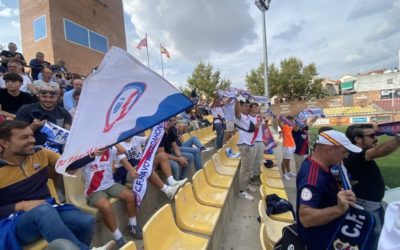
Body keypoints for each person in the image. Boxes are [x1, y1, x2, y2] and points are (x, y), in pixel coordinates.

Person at [0, 120, 115, 250]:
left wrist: (91, 155)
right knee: (42, 210)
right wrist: (21, 206)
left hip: (47, 209)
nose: (32, 140)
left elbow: (68, 167)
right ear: (4, 143)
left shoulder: (41, 153)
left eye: (31, 135)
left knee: (85, 222)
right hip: (13, 222)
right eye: (24, 137)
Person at [66, 145, 143, 248]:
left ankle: (133, 225)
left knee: (130, 196)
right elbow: (70, 171)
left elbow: (124, 153)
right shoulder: (86, 151)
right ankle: (118, 237)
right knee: (106, 206)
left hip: (110, 184)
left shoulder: (111, 148)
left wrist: (113, 142)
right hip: (93, 190)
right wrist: (90, 156)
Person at [297, 130, 362, 249]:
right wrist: (339, 208)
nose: (346, 156)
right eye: (344, 152)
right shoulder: (312, 178)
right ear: (330, 150)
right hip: (317, 241)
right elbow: (305, 218)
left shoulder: (317, 164)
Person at [344, 124, 400, 249]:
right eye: (372, 136)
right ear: (357, 139)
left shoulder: (354, 152)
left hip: (369, 203)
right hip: (367, 205)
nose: (376, 139)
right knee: (374, 237)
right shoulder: (355, 153)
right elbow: (380, 151)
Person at [234, 98, 259, 201]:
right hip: (245, 145)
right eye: (245, 106)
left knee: (249, 168)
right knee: (245, 169)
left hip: (250, 144)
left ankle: (246, 185)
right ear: (240, 106)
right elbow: (236, 112)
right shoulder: (239, 116)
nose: (248, 108)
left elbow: (254, 128)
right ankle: (242, 191)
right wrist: (236, 100)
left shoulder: (246, 117)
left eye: (248, 106)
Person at [248, 103, 264, 186]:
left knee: (258, 160)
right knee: (252, 160)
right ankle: (250, 177)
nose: (256, 108)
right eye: (254, 107)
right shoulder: (247, 118)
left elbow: (264, 127)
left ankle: (256, 175)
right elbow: (254, 128)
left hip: (260, 141)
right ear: (250, 108)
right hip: (252, 141)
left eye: (257, 107)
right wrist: (260, 121)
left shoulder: (259, 116)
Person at [278, 115, 296, 180]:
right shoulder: (284, 126)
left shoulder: (291, 126)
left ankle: (289, 172)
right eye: (291, 120)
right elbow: (279, 124)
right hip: (286, 146)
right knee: (285, 160)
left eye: (292, 120)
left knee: (288, 160)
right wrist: (280, 118)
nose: (292, 121)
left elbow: (296, 128)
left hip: (292, 145)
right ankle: (284, 174)